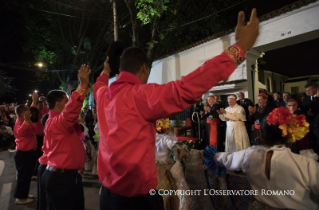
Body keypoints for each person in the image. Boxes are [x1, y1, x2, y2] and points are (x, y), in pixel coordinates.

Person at [94, 9, 259, 210]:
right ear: (144, 68)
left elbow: (99, 84)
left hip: (107, 196)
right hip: (136, 201)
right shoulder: (139, 95)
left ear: (120, 70)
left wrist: (106, 68)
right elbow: (186, 88)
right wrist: (238, 49)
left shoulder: (102, 95)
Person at [213, 107, 319, 209]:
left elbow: (223, 158)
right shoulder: (307, 164)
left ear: (261, 133)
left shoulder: (249, 154)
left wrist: (210, 154)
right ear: (290, 135)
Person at [41, 64, 91, 210]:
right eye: (66, 100)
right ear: (58, 104)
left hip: (63, 178)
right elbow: (70, 111)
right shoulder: (57, 122)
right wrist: (82, 87)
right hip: (61, 180)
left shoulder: (54, 122)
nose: (68, 103)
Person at [13, 105, 37, 205]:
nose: (30, 112)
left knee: (27, 176)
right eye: (27, 111)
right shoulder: (20, 122)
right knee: (23, 177)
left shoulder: (26, 121)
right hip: (23, 153)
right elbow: (20, 133)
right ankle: (21, 198)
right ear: (23, 113)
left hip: (28, 152)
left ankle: (24, 195)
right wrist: (26, 121)